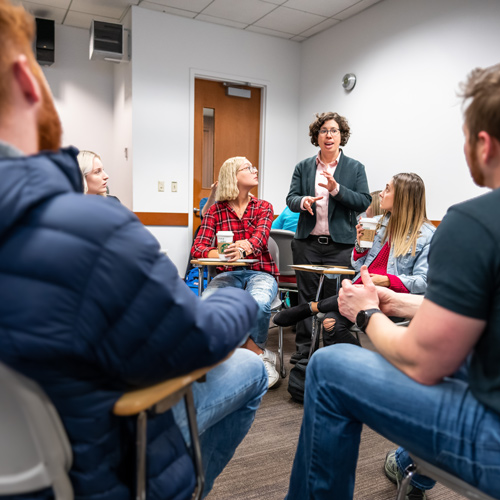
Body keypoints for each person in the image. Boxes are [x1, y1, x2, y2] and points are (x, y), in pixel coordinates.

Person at [0, 2, 267, 499]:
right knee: (251, 367)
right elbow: (196, 339)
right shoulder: (90, 227)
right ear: (26, 81)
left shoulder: (261, 208)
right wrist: (240, 298)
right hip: (93, 471)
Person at [285, 63, 500, 500]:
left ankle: (410, 462)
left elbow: (424, 361)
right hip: (347, 269)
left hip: (490, 438)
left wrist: (366, 312)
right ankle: (409, 462)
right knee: (459, 358)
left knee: (329, 368)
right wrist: (395, 304)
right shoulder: (374, 222)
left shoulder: (471, 224)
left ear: (482, 143)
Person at [274, 173, 435, 348]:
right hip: (361, 291)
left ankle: (311, 307)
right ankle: (353, 367)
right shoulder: (376, 223)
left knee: (349, 299)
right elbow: (358, 265)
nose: (381, 193)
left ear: (404, 197)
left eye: (387, 189)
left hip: (392, 300)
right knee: (330, 323)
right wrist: (360, 247)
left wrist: (388, 280)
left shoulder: (427, 235)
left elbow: (425, 282)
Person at [286, 112, 371, 363]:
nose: (329, 135)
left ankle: (332, 349)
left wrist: (336, 190)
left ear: (341, 135)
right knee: (306, 299)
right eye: (323, 130)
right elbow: (290, 198)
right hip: (307, 243)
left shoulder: (355, 168)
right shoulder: (303, 167)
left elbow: (364, 201)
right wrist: (302, 201)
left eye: (334, 130)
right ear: (317, 136)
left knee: (335, 300)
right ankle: (304, 349)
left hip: (340, 246)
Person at [191, 156, 280, 387]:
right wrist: (221, 254)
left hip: (260, 272)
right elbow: (198, 248)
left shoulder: (264, 207)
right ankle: (258, 355)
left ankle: (251, 354)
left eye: (254, 167)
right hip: (227, 274)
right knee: (209, 304)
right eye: (248, 168)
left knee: (258, 303)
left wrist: (242, 247)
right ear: (233, 176)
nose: (255, 170)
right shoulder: (215, 212)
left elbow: (259, 239)